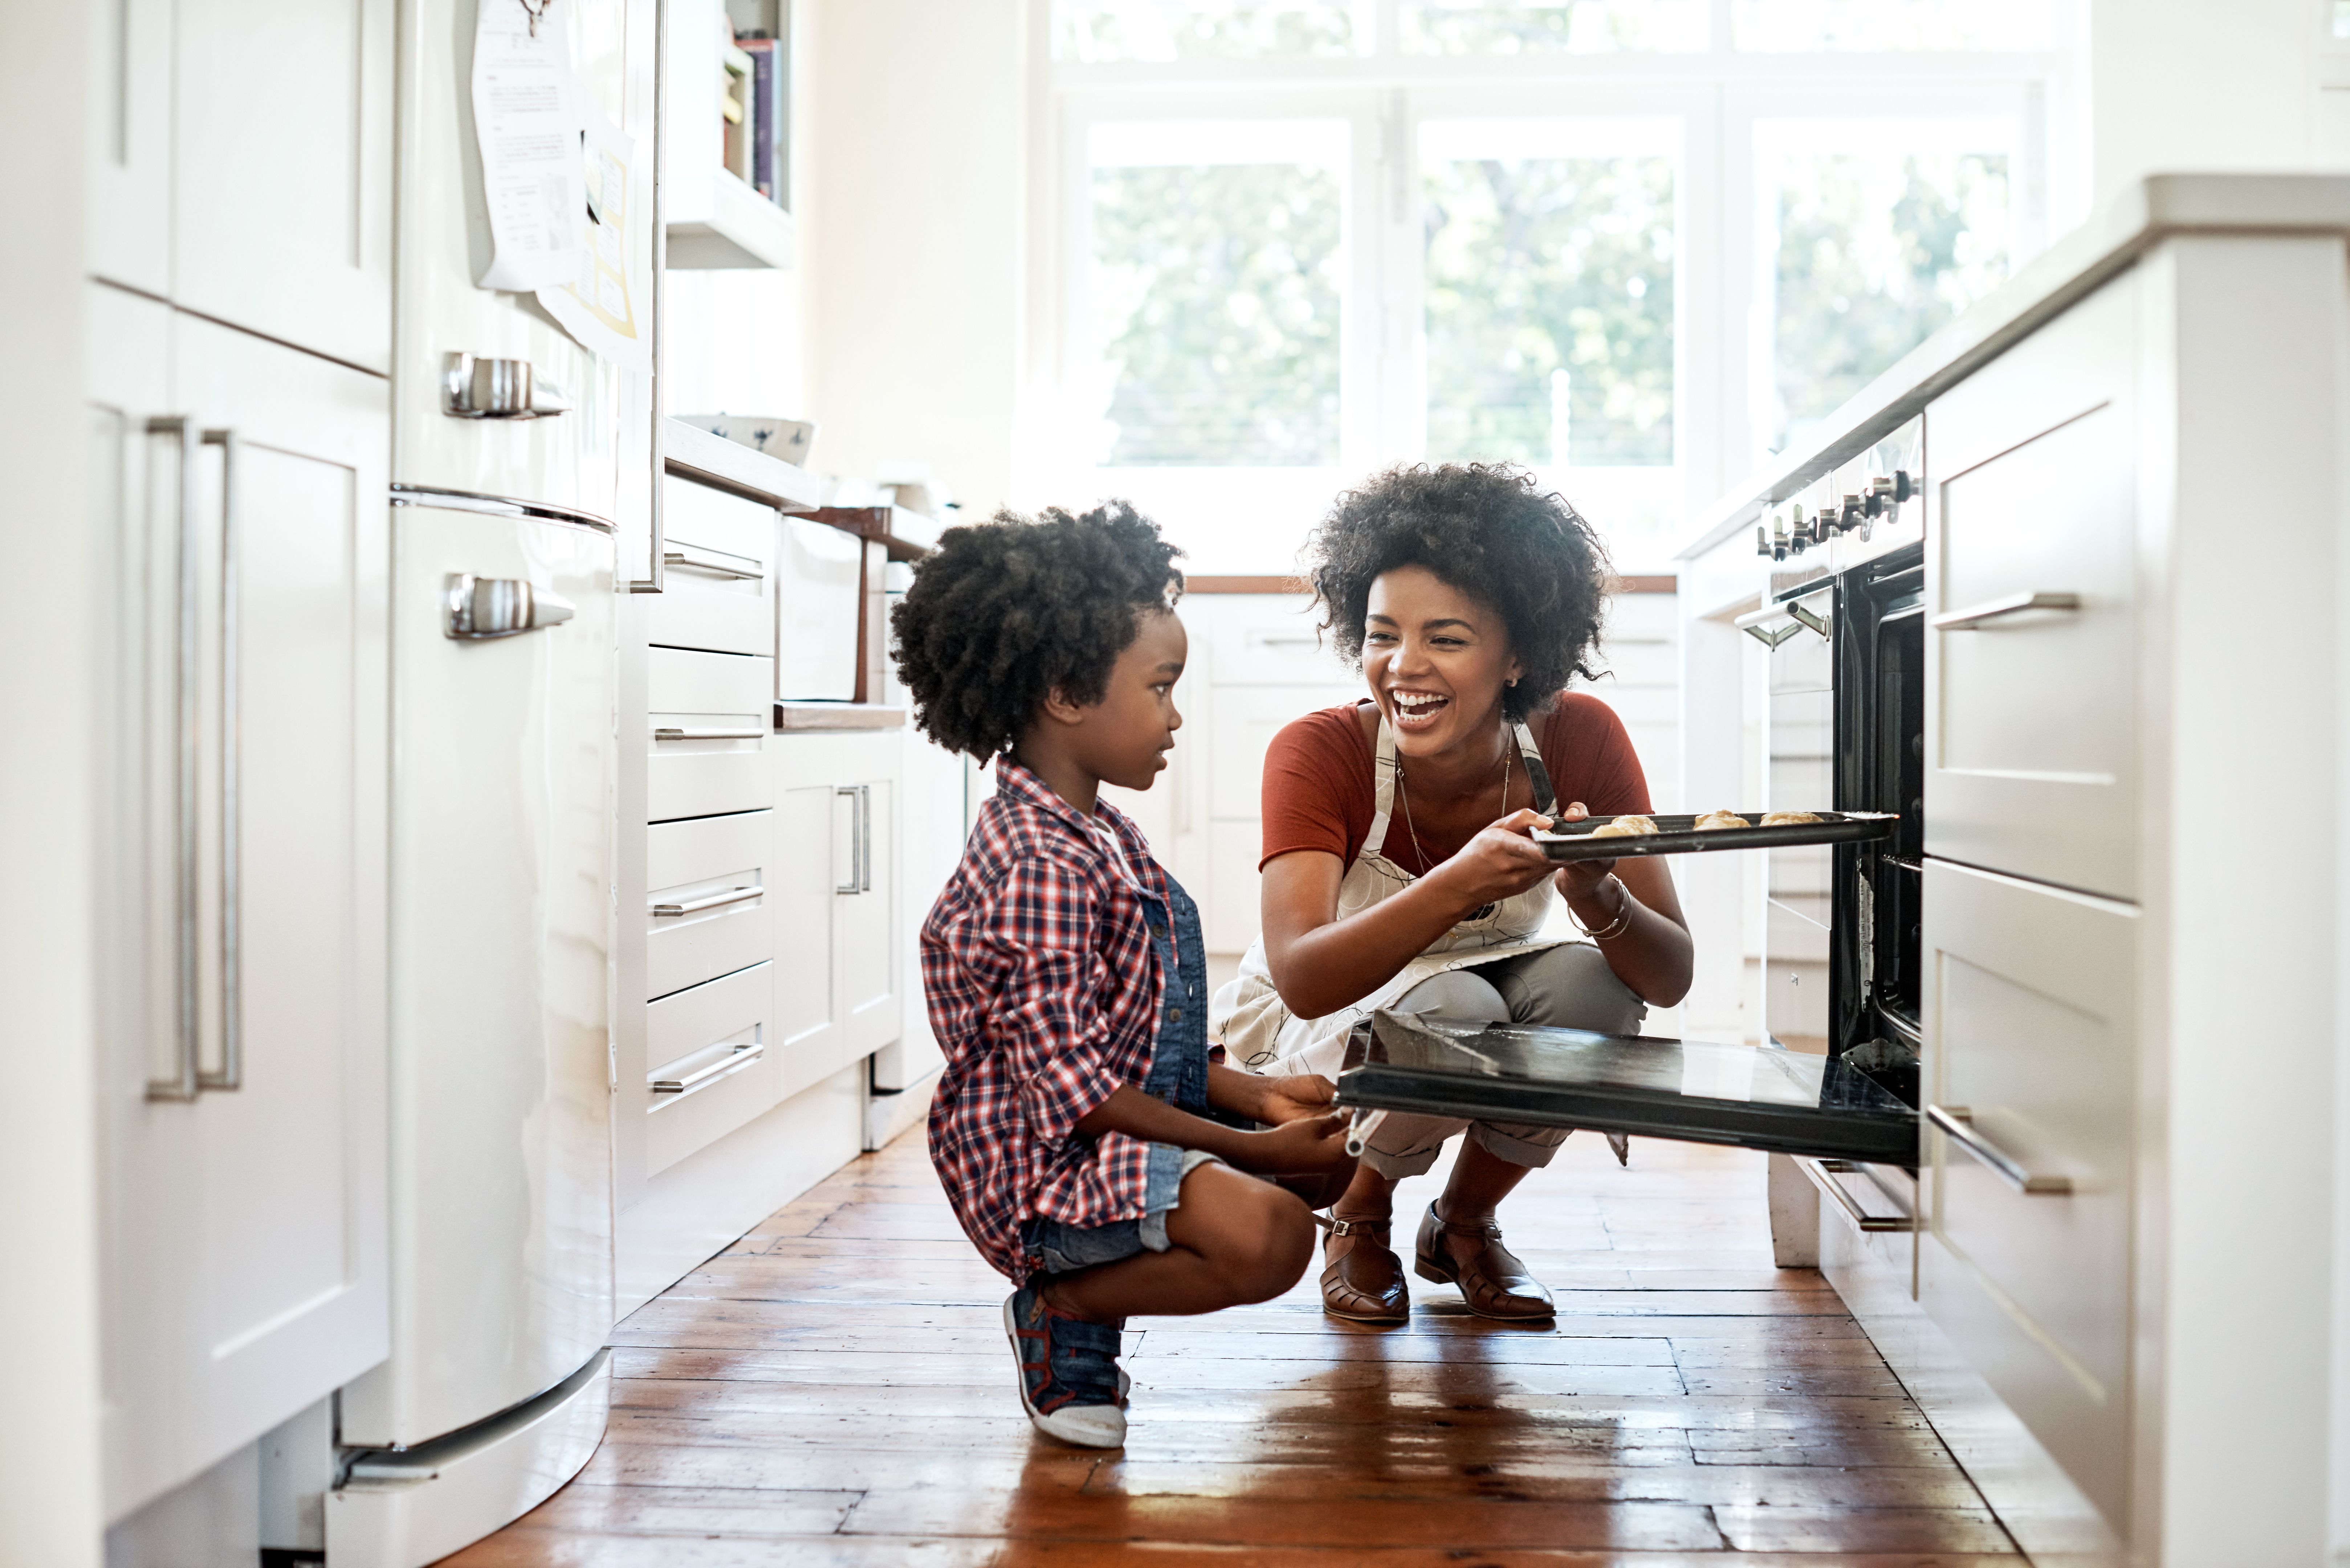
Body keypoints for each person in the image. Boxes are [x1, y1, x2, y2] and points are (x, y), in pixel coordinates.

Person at [895, 500, 1357, 1450]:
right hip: (1043, 1166)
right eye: (1160, 687)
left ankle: (1102, 1283)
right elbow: (1076, 1088)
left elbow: (1138, 1029)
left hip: (1109, 1120)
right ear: (1066, 691)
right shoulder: (1040, 864)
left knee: (1332, 1155)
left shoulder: (1096, 830)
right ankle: (1062, 1315)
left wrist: (1259, 1099)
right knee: (1274, 1238)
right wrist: (1253, 1150)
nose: (1176, 715)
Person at [1212, 464, 1694, 1325]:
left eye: (1446, 638)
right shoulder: (1318, 752)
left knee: (1594, 987)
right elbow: (1304, 977)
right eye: (1381, 634)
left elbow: (1668, 976)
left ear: (1518, 656)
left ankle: (1463, 1224)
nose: (1403, 667)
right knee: (1451, 1000)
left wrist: (1595, 893)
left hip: (1499, 971)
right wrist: (1459, 879)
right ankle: (1358, 1215)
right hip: (1333, 1005)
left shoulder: (1580, 735)